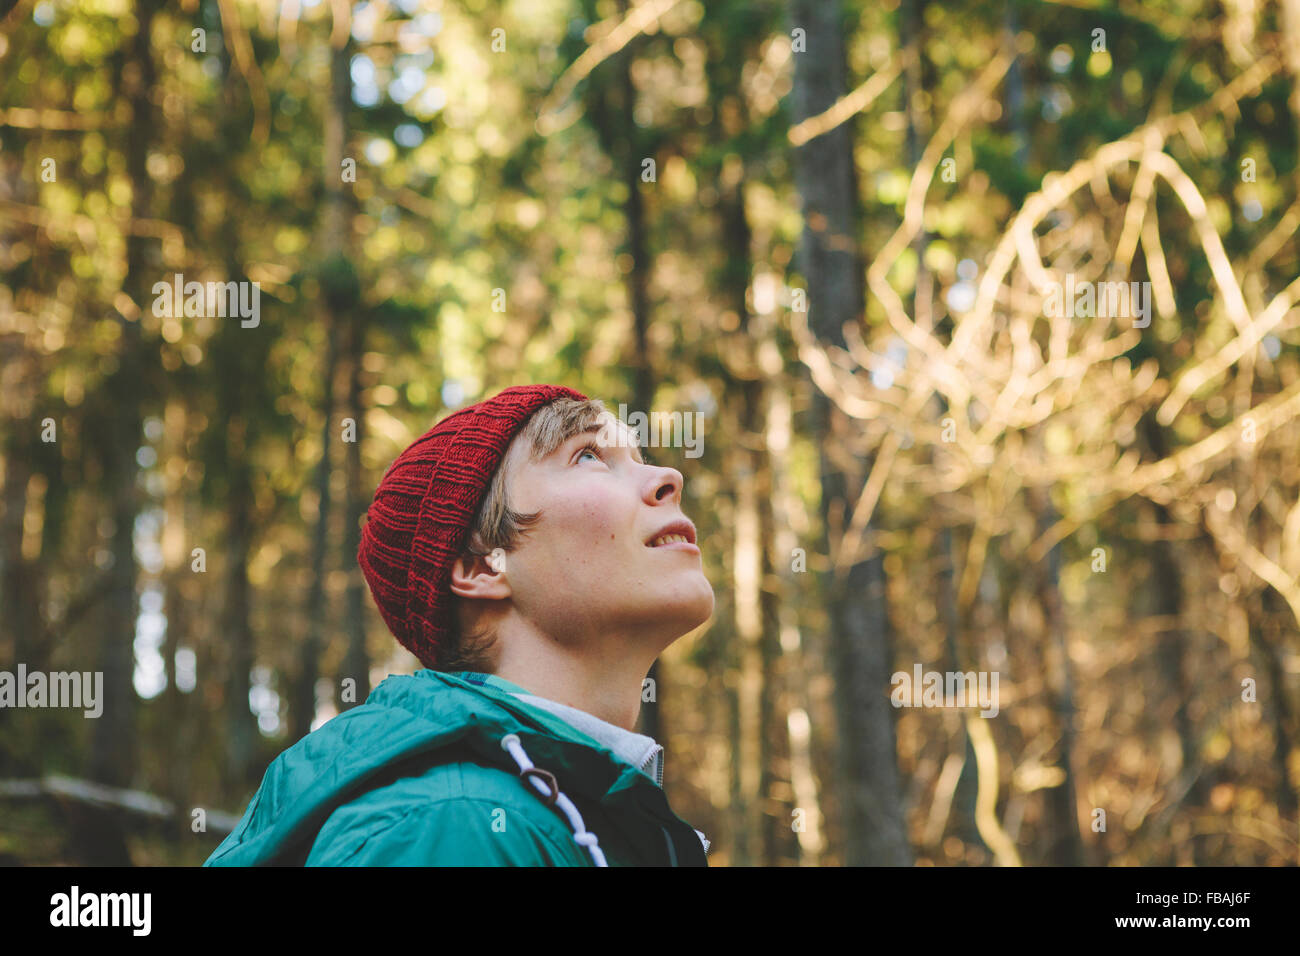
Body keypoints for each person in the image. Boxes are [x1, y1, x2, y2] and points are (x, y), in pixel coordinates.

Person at [204, 384, 714, 866]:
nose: (669, 477)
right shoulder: (452, 827)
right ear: (481, 565)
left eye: (639, 458)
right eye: (587, 454)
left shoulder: (538, 815)